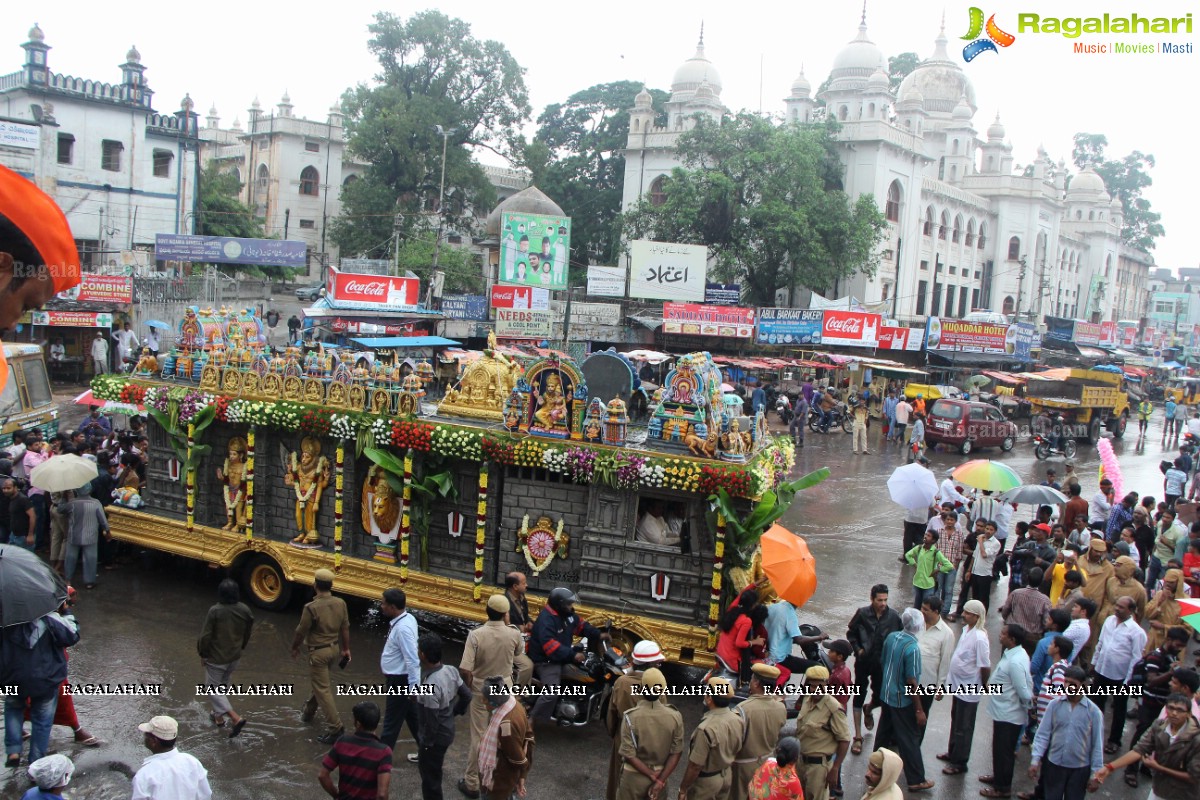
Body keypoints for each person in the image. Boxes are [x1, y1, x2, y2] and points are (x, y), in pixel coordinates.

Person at [458, 594, 525, 800]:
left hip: (481, 688)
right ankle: (507, 781)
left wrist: (470, 686)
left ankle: (472, 782)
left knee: (479, 735)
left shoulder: (476, 635)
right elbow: (519, 653)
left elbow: (465, 669)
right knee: (506, 734)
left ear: (487, 611)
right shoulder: (514, 634)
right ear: (506, 614)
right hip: (504, 688)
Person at [2, 603, 79, 768]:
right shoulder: (50, 618)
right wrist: (66, 612)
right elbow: (72, 635)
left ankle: (13, 751)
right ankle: (35, 762)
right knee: (42, 720)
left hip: (13, 676)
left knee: (13, 708)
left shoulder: (6, 618)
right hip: (46, 678)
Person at [1093, 693, 1200, 798]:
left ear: (1189, 714)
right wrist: (1109, 767)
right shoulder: (1159, 726)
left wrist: (1158, 767)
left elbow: (1194, 777)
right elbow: (1139, 750)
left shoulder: (1196, 739)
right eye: (1171, 708)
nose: (1174, 713)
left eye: (1180, 710)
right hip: (1159, 788)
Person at [528, 587, 609, 724]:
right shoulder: (546, 620)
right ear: (559, 604)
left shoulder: (567, 615)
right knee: (551, 693)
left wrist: (598, 634)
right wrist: (573, 655)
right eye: (568, 604)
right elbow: (551, 648)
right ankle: (531, 721)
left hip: (562, 656)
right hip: (546, 661)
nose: (571, 606)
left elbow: (581, 626)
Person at [1123, 626, 1189, 789]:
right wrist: (1171, 674)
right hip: (1149, 702)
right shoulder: (1155, 657)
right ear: (1168, 641)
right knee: (1142, 734)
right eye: (1178, 644)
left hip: (1162, 704)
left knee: (1158, 736)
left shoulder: (1173, 656)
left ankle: (1146, 765)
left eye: (1182, 646)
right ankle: (1131, 769)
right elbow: (1151, 680)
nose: (1180, 648)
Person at [874, 608, 933, 792]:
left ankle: (876, 766)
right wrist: (919, 709)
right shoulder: (913, 648)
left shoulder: (892, 637)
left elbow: (883, 662)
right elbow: (911, 681)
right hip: (902, 700)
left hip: (887, 694)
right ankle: (916, 778)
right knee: (908, 738)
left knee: (884, 733)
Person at [290, 568, 352, 743]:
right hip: (334, 649)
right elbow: (345, 627)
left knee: (323, 690)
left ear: (315, 585)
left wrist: (294, 648)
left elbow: (300, 631)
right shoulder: (341, 603)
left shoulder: (311, 608)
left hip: (318, 653)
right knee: (319, 685)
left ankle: (336, 728)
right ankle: (308, 713)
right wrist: (345, 649)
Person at [1025, 666, 1103, 800]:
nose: (1067, 686)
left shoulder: (1094, 712)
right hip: (1054, 765)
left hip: (1079, 769)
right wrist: (1035, 760)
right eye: (1065, 682)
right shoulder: (1054, 705)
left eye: (1072, 684)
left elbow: (1097, 745)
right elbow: (1042, 734)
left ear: (1083, 685)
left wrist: (1095, 775)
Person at [604, 639, 667, 800]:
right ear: (652, 665)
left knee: (619, 779)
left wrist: (615, 734)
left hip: (624, 736)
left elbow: (611, 715)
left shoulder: (622, 683)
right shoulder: (658, 684)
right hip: (651, 741)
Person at [846, 584, 902, 754]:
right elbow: (851, 633)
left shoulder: (893, 617)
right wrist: (858, 649)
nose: (883, 603)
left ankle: (869, 709)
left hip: (882, 664)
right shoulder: (862, 614)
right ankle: (857, 736)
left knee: (880, 697)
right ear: (872, 599)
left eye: (885, 600)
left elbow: (899, 637)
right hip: (863, 661)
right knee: (859, 695)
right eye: (880, 600)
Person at [414, 633, 471, 800]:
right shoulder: (451, 671)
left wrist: (427, 743)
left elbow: (431, 721)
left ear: (423, 655)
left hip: (436, 738)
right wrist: (453, 712)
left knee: (430, 778)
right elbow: (467, 696)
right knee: (434, 771)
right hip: (448, 729)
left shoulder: (431, 684)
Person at [979, 624, 1033, 798]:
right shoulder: (1013, 653)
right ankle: (998, 777)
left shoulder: (1016, 661)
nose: (1000, 636)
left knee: (1004, 751)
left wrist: (1029, 708)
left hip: (1009, 713)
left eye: (1003, 634)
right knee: (998, 748)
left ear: (1013, 639)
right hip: (1002, 710)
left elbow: (1023, 690)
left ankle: (1002, 788)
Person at [938, 599, 991, 776]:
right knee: (956, 720)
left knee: (964, 726)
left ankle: (960, 762)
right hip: (959, 685)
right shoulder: (967, 631)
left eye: (968, 613)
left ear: (976, 616)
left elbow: (984, 666)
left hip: (970, 688)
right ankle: (953, 752)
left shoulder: (980, 638)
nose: (964, 615)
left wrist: (983, 685)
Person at [616, 667, 684, 800]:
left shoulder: (631, 717)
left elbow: (628, 754)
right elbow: (676, 752)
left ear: (641, 688)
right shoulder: (675, 716)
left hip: (633, 778)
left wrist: (650, 773)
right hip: (662, 775)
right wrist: (659, 780)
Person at [197, 578, 254, 737]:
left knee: (212, 688)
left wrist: (203, 653)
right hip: (234, 656)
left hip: (216, 658)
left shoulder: (215, 611)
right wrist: (241, 646)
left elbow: (206, 636)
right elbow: (247, 631)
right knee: (222, 685)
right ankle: (218, 718)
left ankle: (235, 717)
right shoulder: (245, 609)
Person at [1091, 596, 1147, 753]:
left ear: (1130, 610)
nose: (1117, 609)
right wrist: (1094, 663)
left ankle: (1114, 740)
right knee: (1096, 703)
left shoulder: (1137, 632)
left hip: (1120, 677)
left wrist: (1128, 681)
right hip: (1102, 670)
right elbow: (1101, 643)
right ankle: (1093, 733)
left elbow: (1136, 658)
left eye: (1121, 607)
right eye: (1116, 605)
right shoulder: (1109, 620)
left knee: (1119, 709)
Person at [676, 677, 744, 800]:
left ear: (709, 699)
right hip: (726, 775)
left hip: (707, 783)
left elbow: (695, 766)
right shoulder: (738, 720)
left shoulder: (705, 728)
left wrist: (683, 788)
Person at [731, 663, 789, 800]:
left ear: (756, 683)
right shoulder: (781, 708)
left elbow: (733, 742)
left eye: (751, 679)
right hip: (767, 765)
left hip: (742, 767)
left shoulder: (743, 709)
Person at [318, 701, 392, 800]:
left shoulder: (342, 742)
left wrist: (336, 796)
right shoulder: (384, 752)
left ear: (357, 723)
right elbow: (382, 794)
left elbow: (322, 775)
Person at [378, 587, 421, 757]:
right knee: (413, 718)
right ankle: (427, 752)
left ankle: (380, 760)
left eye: (384, 604)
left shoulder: (403, 628)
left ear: (393, 607)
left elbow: (412, 659)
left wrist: (413, 687)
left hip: (400, 681)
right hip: (401, 679)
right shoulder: (408, 618)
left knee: (391, 722)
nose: (381, 606)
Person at [131, 716, 212, 800]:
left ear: (153, 741)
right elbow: (205, 795)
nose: (144, 737)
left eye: (146, 735)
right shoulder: (192, 762)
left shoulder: (144, 775)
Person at [479, 677, 534, 800]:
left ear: (494, 702)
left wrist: (522, 774)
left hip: (499, 781)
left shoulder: (506, 725)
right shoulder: (514, 704)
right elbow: (529, 737)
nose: (482, 701)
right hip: (507, 780)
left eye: (485, 699)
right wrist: (522, 776)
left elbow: (517, 757)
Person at [916, 597, 955, 734]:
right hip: (909, 681)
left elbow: (945, 661)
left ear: (936, 612)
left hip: (927, 684)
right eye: (922, 608)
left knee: (921, 717)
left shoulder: (946, 634)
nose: (922, 612)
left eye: (926, 610)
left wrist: (940, 686)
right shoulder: (917, 624)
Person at [60, 483, 108, 590]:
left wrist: (63, 497)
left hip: (74, 535)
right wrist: (107, 531)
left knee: (70, 558)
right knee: (90, 558)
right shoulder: (96, 503)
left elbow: (60, 509)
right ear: (90, 490)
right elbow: (103, 520)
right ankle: (89, 582)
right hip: (90, 536)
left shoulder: (72, 503)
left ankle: (68, 580)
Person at [1002, 567, 1052, 647]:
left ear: (1027, 577)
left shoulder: (1016, 593)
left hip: (1012, 634)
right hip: (1031, 638)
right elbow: (1046, 623)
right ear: (1041, 581)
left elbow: (1005, 611)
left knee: (1007, 657)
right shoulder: (1045, 600)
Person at [905, 530, 953, 610]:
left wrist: (938, 570)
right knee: (916, 606)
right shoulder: (919, 548)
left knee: (926, 607)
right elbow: (908, 555)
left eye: (928, 536)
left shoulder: (936, 553)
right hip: (917, 582)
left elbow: (949, 565)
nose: (925, 537)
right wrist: (914, 564)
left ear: (933, 540)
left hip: (929, 585)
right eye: (925, 534)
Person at [1144, 570, 1187, 653]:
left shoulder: (1187, 602)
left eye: (1171, 582)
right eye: (1166, 581)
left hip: (1172, 645)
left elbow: (1187, 630)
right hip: (1153, 640)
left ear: (1178, 583)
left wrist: (1164, 627)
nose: (1167, 584)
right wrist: (1159, 603)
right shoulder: (1160, 594)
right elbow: (1146, 615)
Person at [4, 478, 34, 548]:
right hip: (14, 535)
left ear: (15, 488)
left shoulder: (22, 499)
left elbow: (32, 516)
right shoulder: (11, 498)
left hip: (23, 536)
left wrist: (30, 535)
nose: (5, 490)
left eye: (8, 488)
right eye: (4, 488)